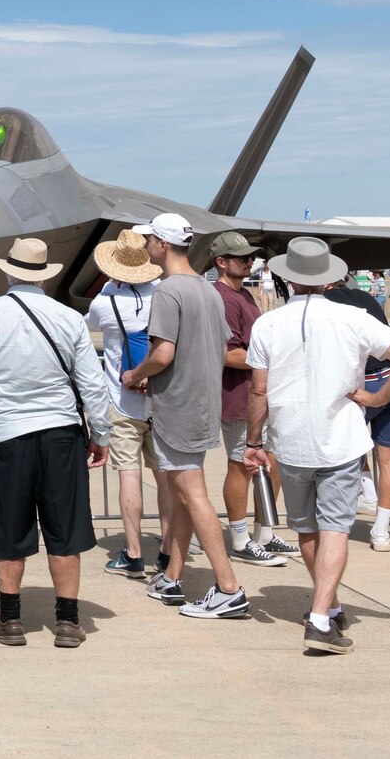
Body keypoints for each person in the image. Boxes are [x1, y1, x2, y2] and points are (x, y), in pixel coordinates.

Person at [245, 239, 390, 654]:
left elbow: (258, 391)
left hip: (289, 438)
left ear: (288, 277)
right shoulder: (353, 316)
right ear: (328, 278)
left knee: (307, 527)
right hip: (340, 438)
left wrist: (254, 440)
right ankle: (323, 615)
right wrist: (378, 398)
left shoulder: (267, 323)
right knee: (335, 529)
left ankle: (327, 605)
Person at [0, 238, 114, 648]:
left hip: (6, 434)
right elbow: (92, 385)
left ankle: (9, 619)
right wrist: (101, 434)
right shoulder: (67, 317)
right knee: (65, 529)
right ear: (44, 275)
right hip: (61, 433)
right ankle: (67, 621)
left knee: (8, 528)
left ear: (8, 271)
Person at [122, 213, 247, 619]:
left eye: (148, 242)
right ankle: (172, 576)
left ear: (161, 244)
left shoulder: (169, 291)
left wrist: (135, 374)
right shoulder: (209, 291)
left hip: (178, 405)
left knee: (193, 494)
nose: (145, 249)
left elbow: (163, 353)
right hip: (202, 403)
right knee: (183, 492)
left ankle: (228, 587)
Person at [86, 228, 171, 579]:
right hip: (162, 400)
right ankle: (167, 551)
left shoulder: (104, 303)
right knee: (164, 476)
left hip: (121, 401)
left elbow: (88, 326)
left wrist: (111, 288)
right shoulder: (164, 296)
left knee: (129, 475)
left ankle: (134, 553)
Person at [211, 231, 291, 567]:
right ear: (221, 262)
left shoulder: (241, 294)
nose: (249, 262)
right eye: (242, 258)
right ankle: (240, 538)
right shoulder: (224, 299)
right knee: (240, 464)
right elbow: (228, 354)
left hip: (258, 394)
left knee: (268, 462)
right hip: (238, 396)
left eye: (250, 258)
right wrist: (274, 359)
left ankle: (263, 532)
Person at [331, 268, 390, 551]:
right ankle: (382, 530)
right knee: (388, 459)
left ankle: (353, 508)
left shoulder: (325, 305)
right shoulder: (366, 298)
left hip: (358, 384)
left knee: (348, 453)